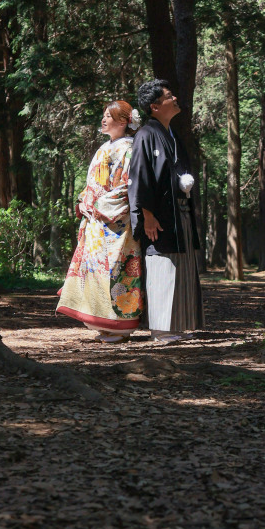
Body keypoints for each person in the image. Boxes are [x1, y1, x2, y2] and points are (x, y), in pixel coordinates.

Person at [56, 100, 143, 343]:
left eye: (109, 116)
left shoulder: (130, 148)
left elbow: (127, 186)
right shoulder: (105, 147)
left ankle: (120, 326)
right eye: (103, 115)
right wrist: (85, 202)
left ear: (124, 121)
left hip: (117, 221)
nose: (103, 119)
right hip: (97, 219)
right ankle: (102, 324)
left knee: (118, 270)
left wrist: (99, 205)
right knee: (96, 271)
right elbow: (92, 184)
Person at [128, 79, 204, 343]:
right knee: (163, 264)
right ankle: (160, 329)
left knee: (181, 266)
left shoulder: (170, 133)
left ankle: (179, 324)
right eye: (169, 95)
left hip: (179, 210)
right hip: (158, 215)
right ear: (155, 106)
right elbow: (140, 175)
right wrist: (146, 214)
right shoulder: (146, 134)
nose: (175, 99)